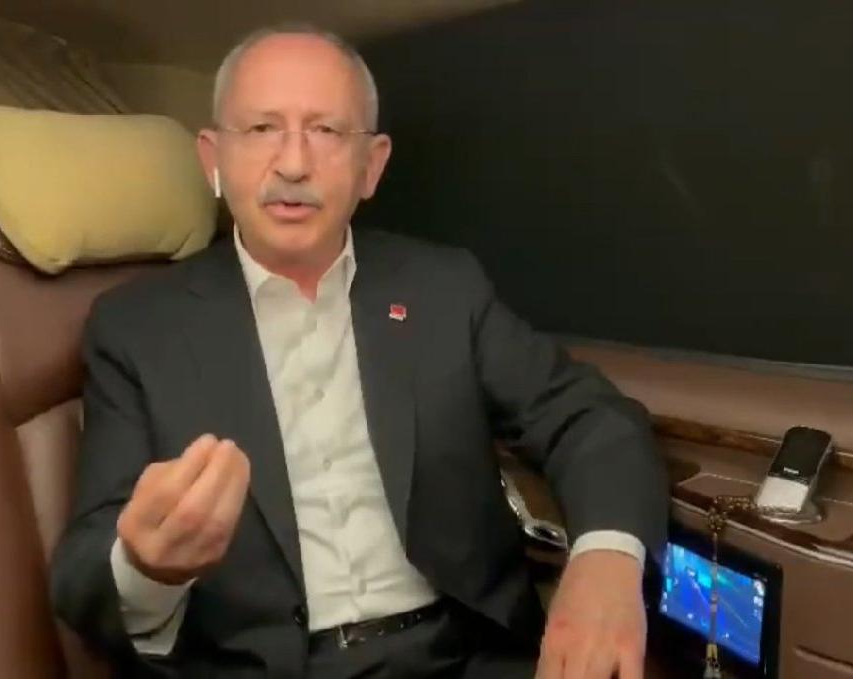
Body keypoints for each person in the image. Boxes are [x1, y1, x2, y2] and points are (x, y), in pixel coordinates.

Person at [51, 24, 669, 679]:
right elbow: (83, 566)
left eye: (325, 130)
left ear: (370, 165)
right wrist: (147, 565)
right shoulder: (136, 328)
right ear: (213, 159)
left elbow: (591, 418)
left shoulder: (443, 287)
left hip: (463, 655)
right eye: (261, 129)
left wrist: (606, 559)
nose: (293, 163)